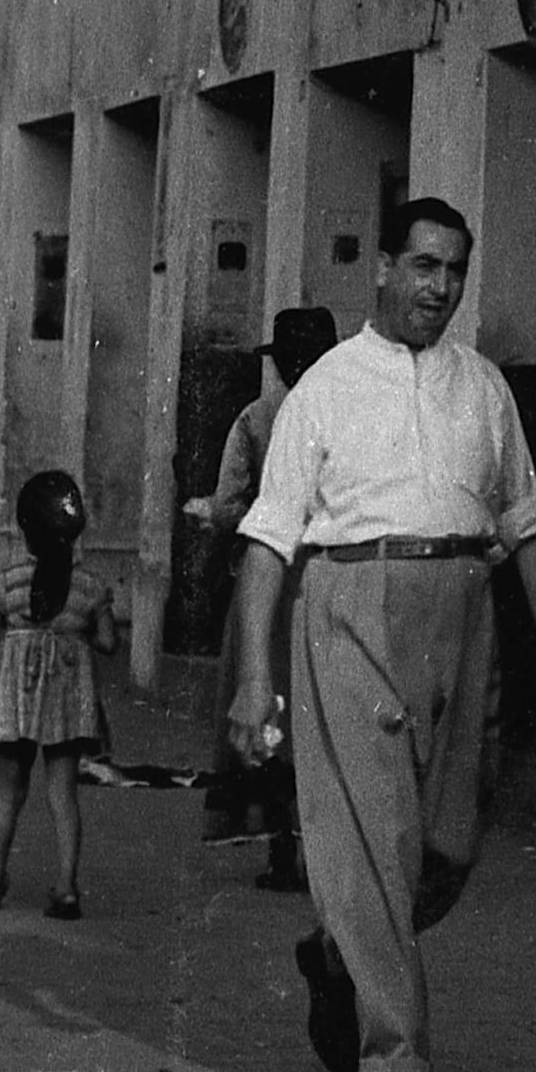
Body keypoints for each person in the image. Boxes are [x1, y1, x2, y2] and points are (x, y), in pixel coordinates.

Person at [217, 193, 536, 1072]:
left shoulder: (483, 387)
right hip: (350, 606)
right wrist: (254, 677)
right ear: (381, 267)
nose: (439, 286)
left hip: (466, 608)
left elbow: (525, 518)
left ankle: (338, 949)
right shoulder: (325, 388)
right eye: (423, 265)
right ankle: (395, 1057)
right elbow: (267, 539)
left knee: (447, 843)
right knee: (375, 835)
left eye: (454, 269)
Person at [189, 308, 335, 881]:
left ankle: (281, 844)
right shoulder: (353, 411)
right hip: (332, 581)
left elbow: (228, 505)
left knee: (269, 712)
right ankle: (324, 850)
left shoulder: (257, 417)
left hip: (268, 583)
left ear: (282, 363)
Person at [0, 463, 122, 914]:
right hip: (66, 700)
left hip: (15, 698)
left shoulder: (8, 580)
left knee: (9, 789)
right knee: (63, 792)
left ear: (25, 529)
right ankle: (67, 886)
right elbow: (108, 643)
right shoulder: (89, 586)